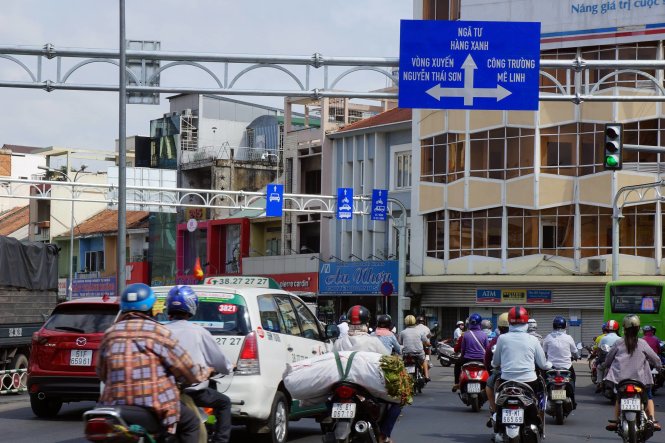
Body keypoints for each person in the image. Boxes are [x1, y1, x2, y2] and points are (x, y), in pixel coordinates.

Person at [97, 283, 209, 443]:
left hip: (114, 405)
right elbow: (187, 369)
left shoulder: (110, 333)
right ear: (150, 308)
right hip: (156, 406)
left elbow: (101, 373)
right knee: (191, 423)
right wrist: (204, 372)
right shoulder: (159, 332)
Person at [164, 285, 234, 443]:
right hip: (194, 392)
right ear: (191, 306)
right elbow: (221, 362)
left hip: (166, 393)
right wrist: (229, 367)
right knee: (224, 403)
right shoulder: (199, 332)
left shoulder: (160, 330)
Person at [334, 305, 401, 443]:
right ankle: (383, 435)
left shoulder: (339, 342)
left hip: (341, 384)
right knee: (398, 402)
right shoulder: (373, 341)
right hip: (367, 387)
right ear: (367, 322)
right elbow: (387, 362)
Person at [492, 306, 552, 428]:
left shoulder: (502, 338)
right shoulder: (533, 339)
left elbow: (496, 362)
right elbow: (542, 364)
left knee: (497, 396)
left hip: (506, 381)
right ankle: (538, 421)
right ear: (526, 322)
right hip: (529, 381)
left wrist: (494, 364)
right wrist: (549, 365)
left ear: (509, 321)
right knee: (538, 399)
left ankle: (496, 417)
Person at [604, 314, 662, 432]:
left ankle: (616, 421)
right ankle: (652, 420)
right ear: (638, 328)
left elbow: (608, 359)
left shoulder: (618, 343)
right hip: (641, 381)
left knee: (618, 399)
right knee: (649, 396)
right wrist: (660, 368)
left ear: (624, 328)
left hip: (620, 380)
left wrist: (607, 365)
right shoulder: (643, 343)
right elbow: (655, 359)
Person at [543, 316, 579, 405]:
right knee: (572, 379)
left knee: (544, 381)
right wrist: (577, 356)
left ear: (553, 326)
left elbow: (544, 351)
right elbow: (575, 352)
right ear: (564, 326)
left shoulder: (548, 337)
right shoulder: (569, 338)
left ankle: (544, 398)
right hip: (566, 367)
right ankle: (573, 400)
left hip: (551, 367)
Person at [484, 312, 510, 427]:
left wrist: (490, 369)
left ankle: (494, 411)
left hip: (502, 373)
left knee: (489, 386)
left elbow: (488, 357)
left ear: (499, 327)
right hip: (525, 376)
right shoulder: (529, 338)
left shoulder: (498, 339)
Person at [453, 313, 488, 392]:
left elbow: (463, 350)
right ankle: (490, 385)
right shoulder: (484, 335)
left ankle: (456, 383)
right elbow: (487, 349)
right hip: (482, 360)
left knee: (457, 365)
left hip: (467, 359)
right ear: (480, 323)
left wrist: (462, 357)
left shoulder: (465, 335)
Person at [399, 314, 431, 382]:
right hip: (419, 353)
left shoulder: (402, 332)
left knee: (402, 364)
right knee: (424, 360)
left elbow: (400, 343)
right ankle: (427, 376)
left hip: (407, 354)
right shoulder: (420, 331)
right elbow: (426, 341)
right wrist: (428, 344)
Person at [596, 319, 621, 392]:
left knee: (599, 367)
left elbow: (599, 350)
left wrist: (599, 358)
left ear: (607, 328)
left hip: (606, 362)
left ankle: (599, 383)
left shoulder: (604, 338)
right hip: (617, 363)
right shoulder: (620, 339)